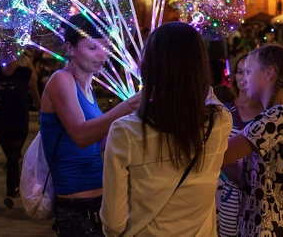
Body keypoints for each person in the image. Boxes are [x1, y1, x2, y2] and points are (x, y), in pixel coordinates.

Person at [100, 22, 232, 237]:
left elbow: (113, 222)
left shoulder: (125, 131)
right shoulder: (220, 122)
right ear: (201, 67)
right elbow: (208, 95)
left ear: (149, 67)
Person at [40, 13, 141, 237]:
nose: (102, 54)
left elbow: (99, 142)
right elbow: (81, 136)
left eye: (106, 47)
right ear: (70, 48)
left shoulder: (88, 87)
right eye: (93, 47)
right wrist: (129, 105)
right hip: (76, 209)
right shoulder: (61, 80)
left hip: (100, 201)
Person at [223, 45, 283, 236]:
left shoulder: (277, 117)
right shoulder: (278, 115)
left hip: (271, 228)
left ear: (270, 73)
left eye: (249, 71)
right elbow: (243, 173)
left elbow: (222, 154)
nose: (244, 79)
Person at [0, 55, 41, 208]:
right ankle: (15, 185)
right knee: (11, 156)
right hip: (0, 120)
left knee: (12, 156)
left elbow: (36, 96)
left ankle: (11, 191)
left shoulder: (26, 74)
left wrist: (43, 116)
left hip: (19, 119)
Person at [216, 55, 262, 237]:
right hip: (226, 194)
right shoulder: (223, 110)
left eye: (249, 72)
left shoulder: (269, 114)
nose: (244, 78)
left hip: (257, 197)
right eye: (240, 72)